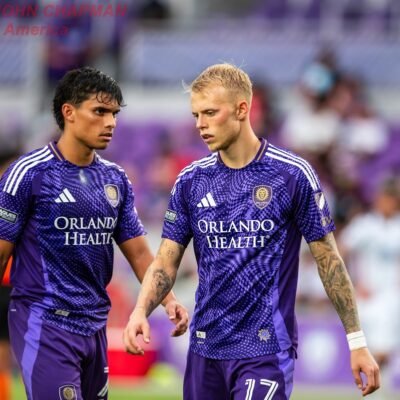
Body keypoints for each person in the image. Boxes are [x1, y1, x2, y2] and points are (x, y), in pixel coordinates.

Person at [123, 63, 380, 399]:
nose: (200, 124)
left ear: (242, 109)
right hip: (205, 348)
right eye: (196, 115)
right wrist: (140, 311)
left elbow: (329, 260)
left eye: (210, 113)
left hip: (266, 350)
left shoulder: (292, 175)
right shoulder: (191, 181)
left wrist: (356, 341)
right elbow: (165, 262)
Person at [0, 66, 188, 400]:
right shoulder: (28, 174)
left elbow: (140, 254)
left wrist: (168, 300)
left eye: (114, 113)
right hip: (45, 321)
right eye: (99, 111)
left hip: (94, 324)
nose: (110, 122)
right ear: (68, 112)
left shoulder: (115, 179)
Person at [339, 178, 400, 400]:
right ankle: (375, 395)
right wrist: (353, 283)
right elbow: (340, 252)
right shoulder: (365, 225)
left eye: (390, 199)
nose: (386, 202)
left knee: (386, 351)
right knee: (375, 351)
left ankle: (378, 395)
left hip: (393, 297)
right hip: (369, 298)